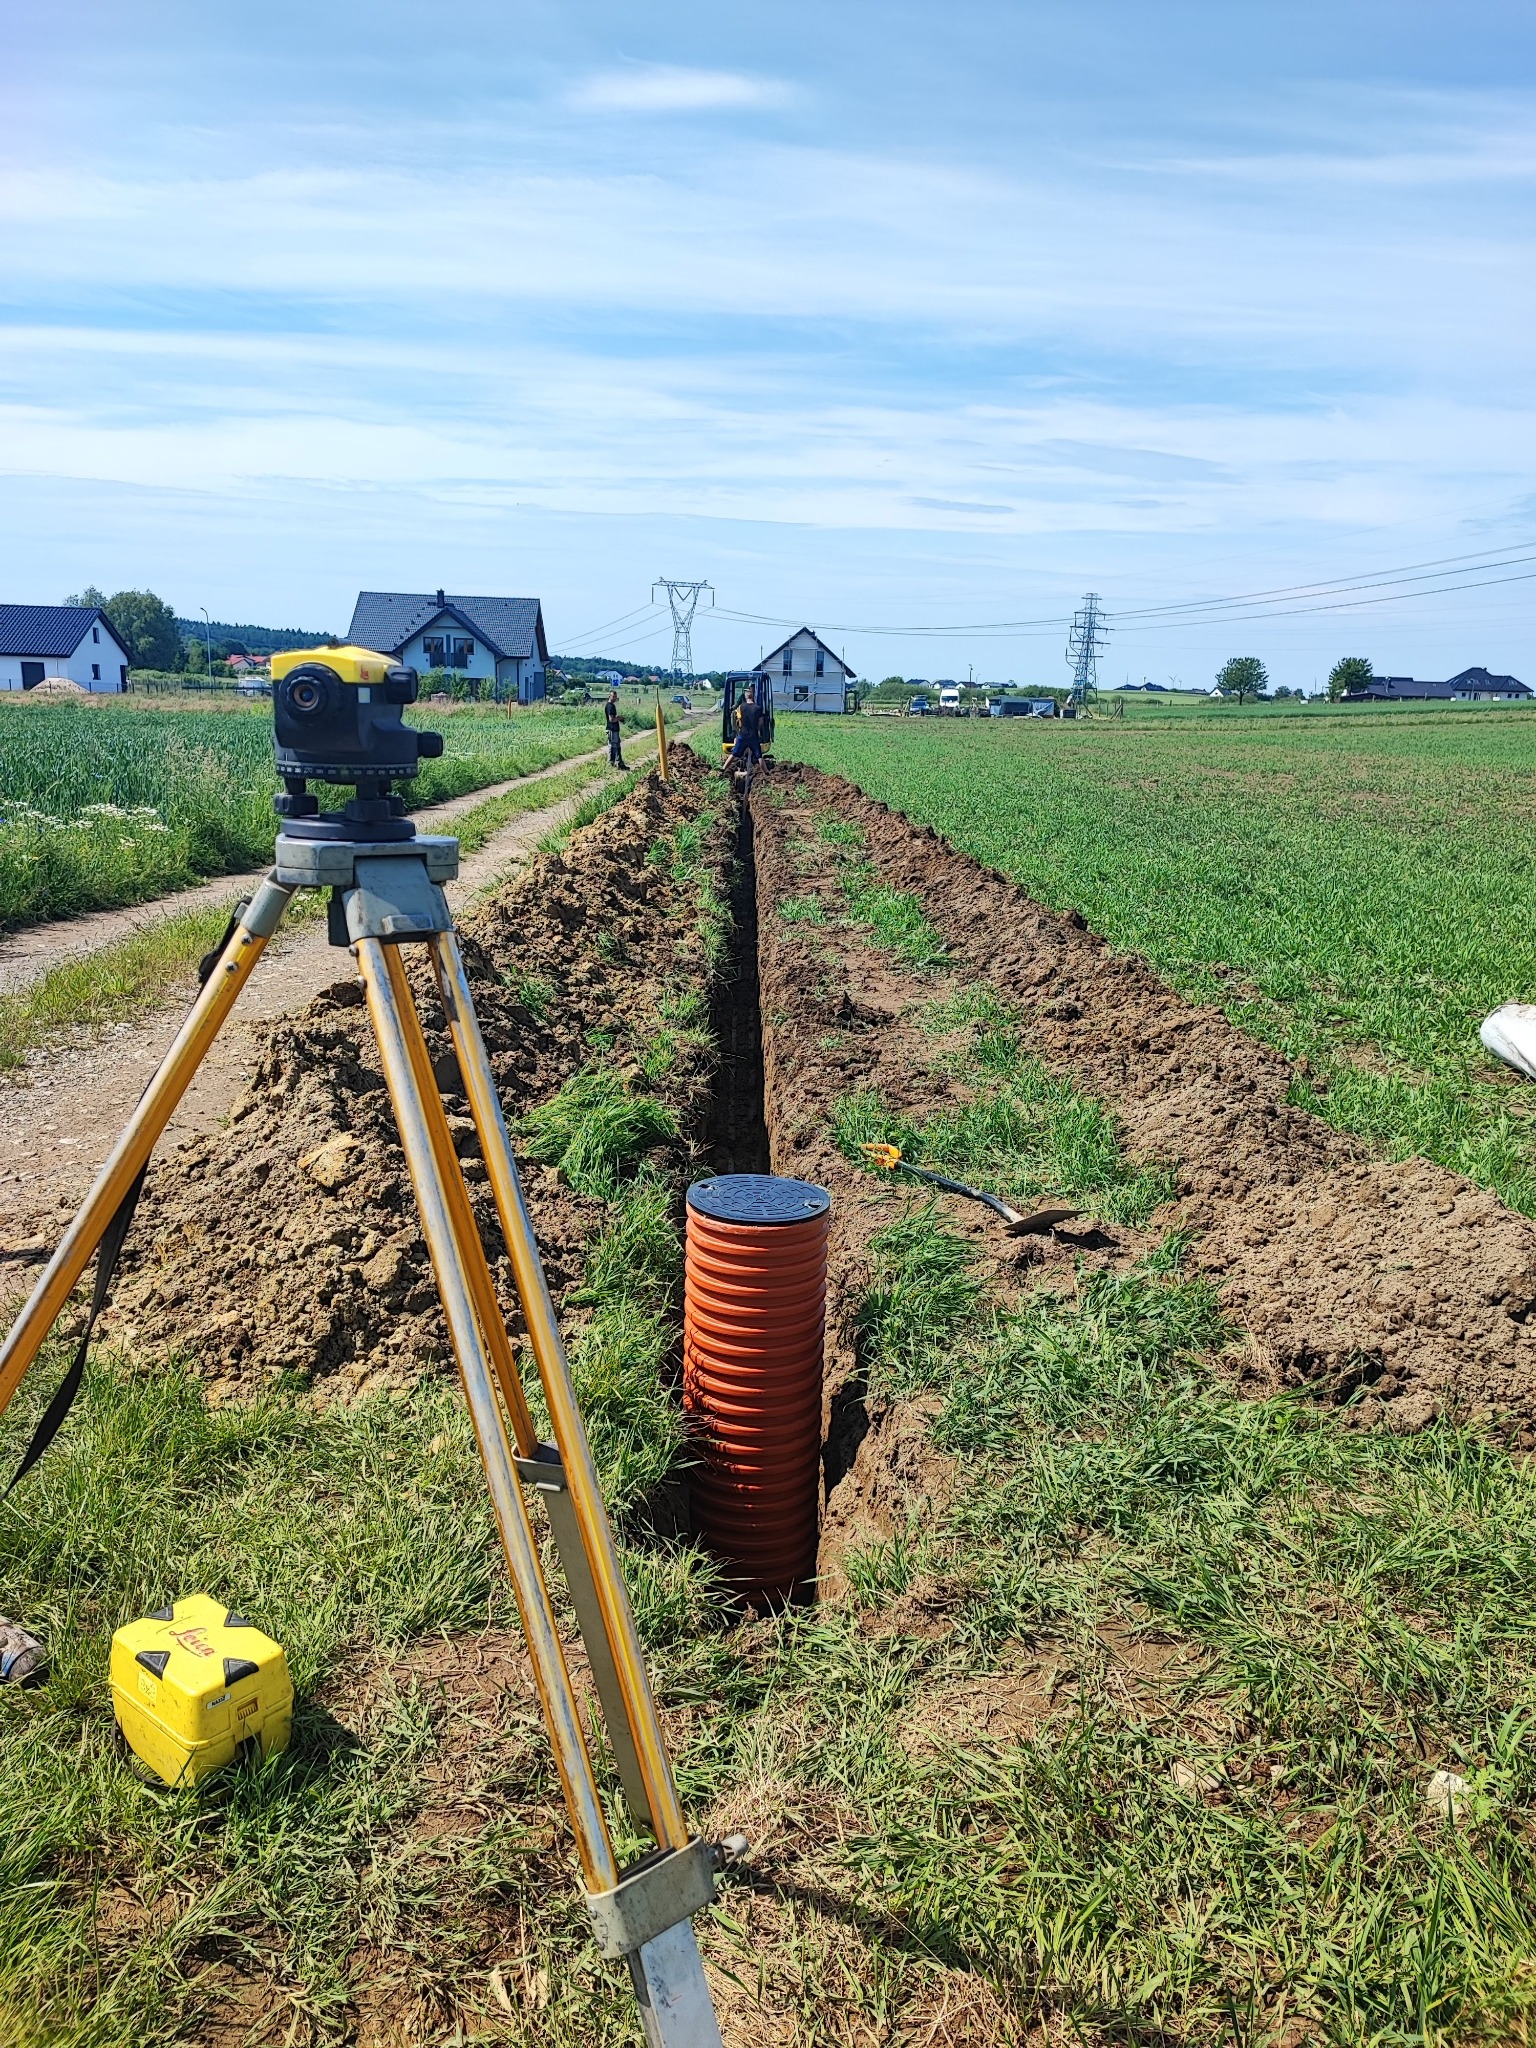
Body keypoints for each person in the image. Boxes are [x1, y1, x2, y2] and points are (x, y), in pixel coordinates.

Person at [604, 689, 626, 769]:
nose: (614, 698)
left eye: (615, 697)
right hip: (612, 729)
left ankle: (619, 763)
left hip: (614, 729)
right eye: (613, 696)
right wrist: (619, 718)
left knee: (617, 746)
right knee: (613, 747)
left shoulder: (612, 706)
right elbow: (611, 719)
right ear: (609, 696)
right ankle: (611, 763)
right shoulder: (610, 706)